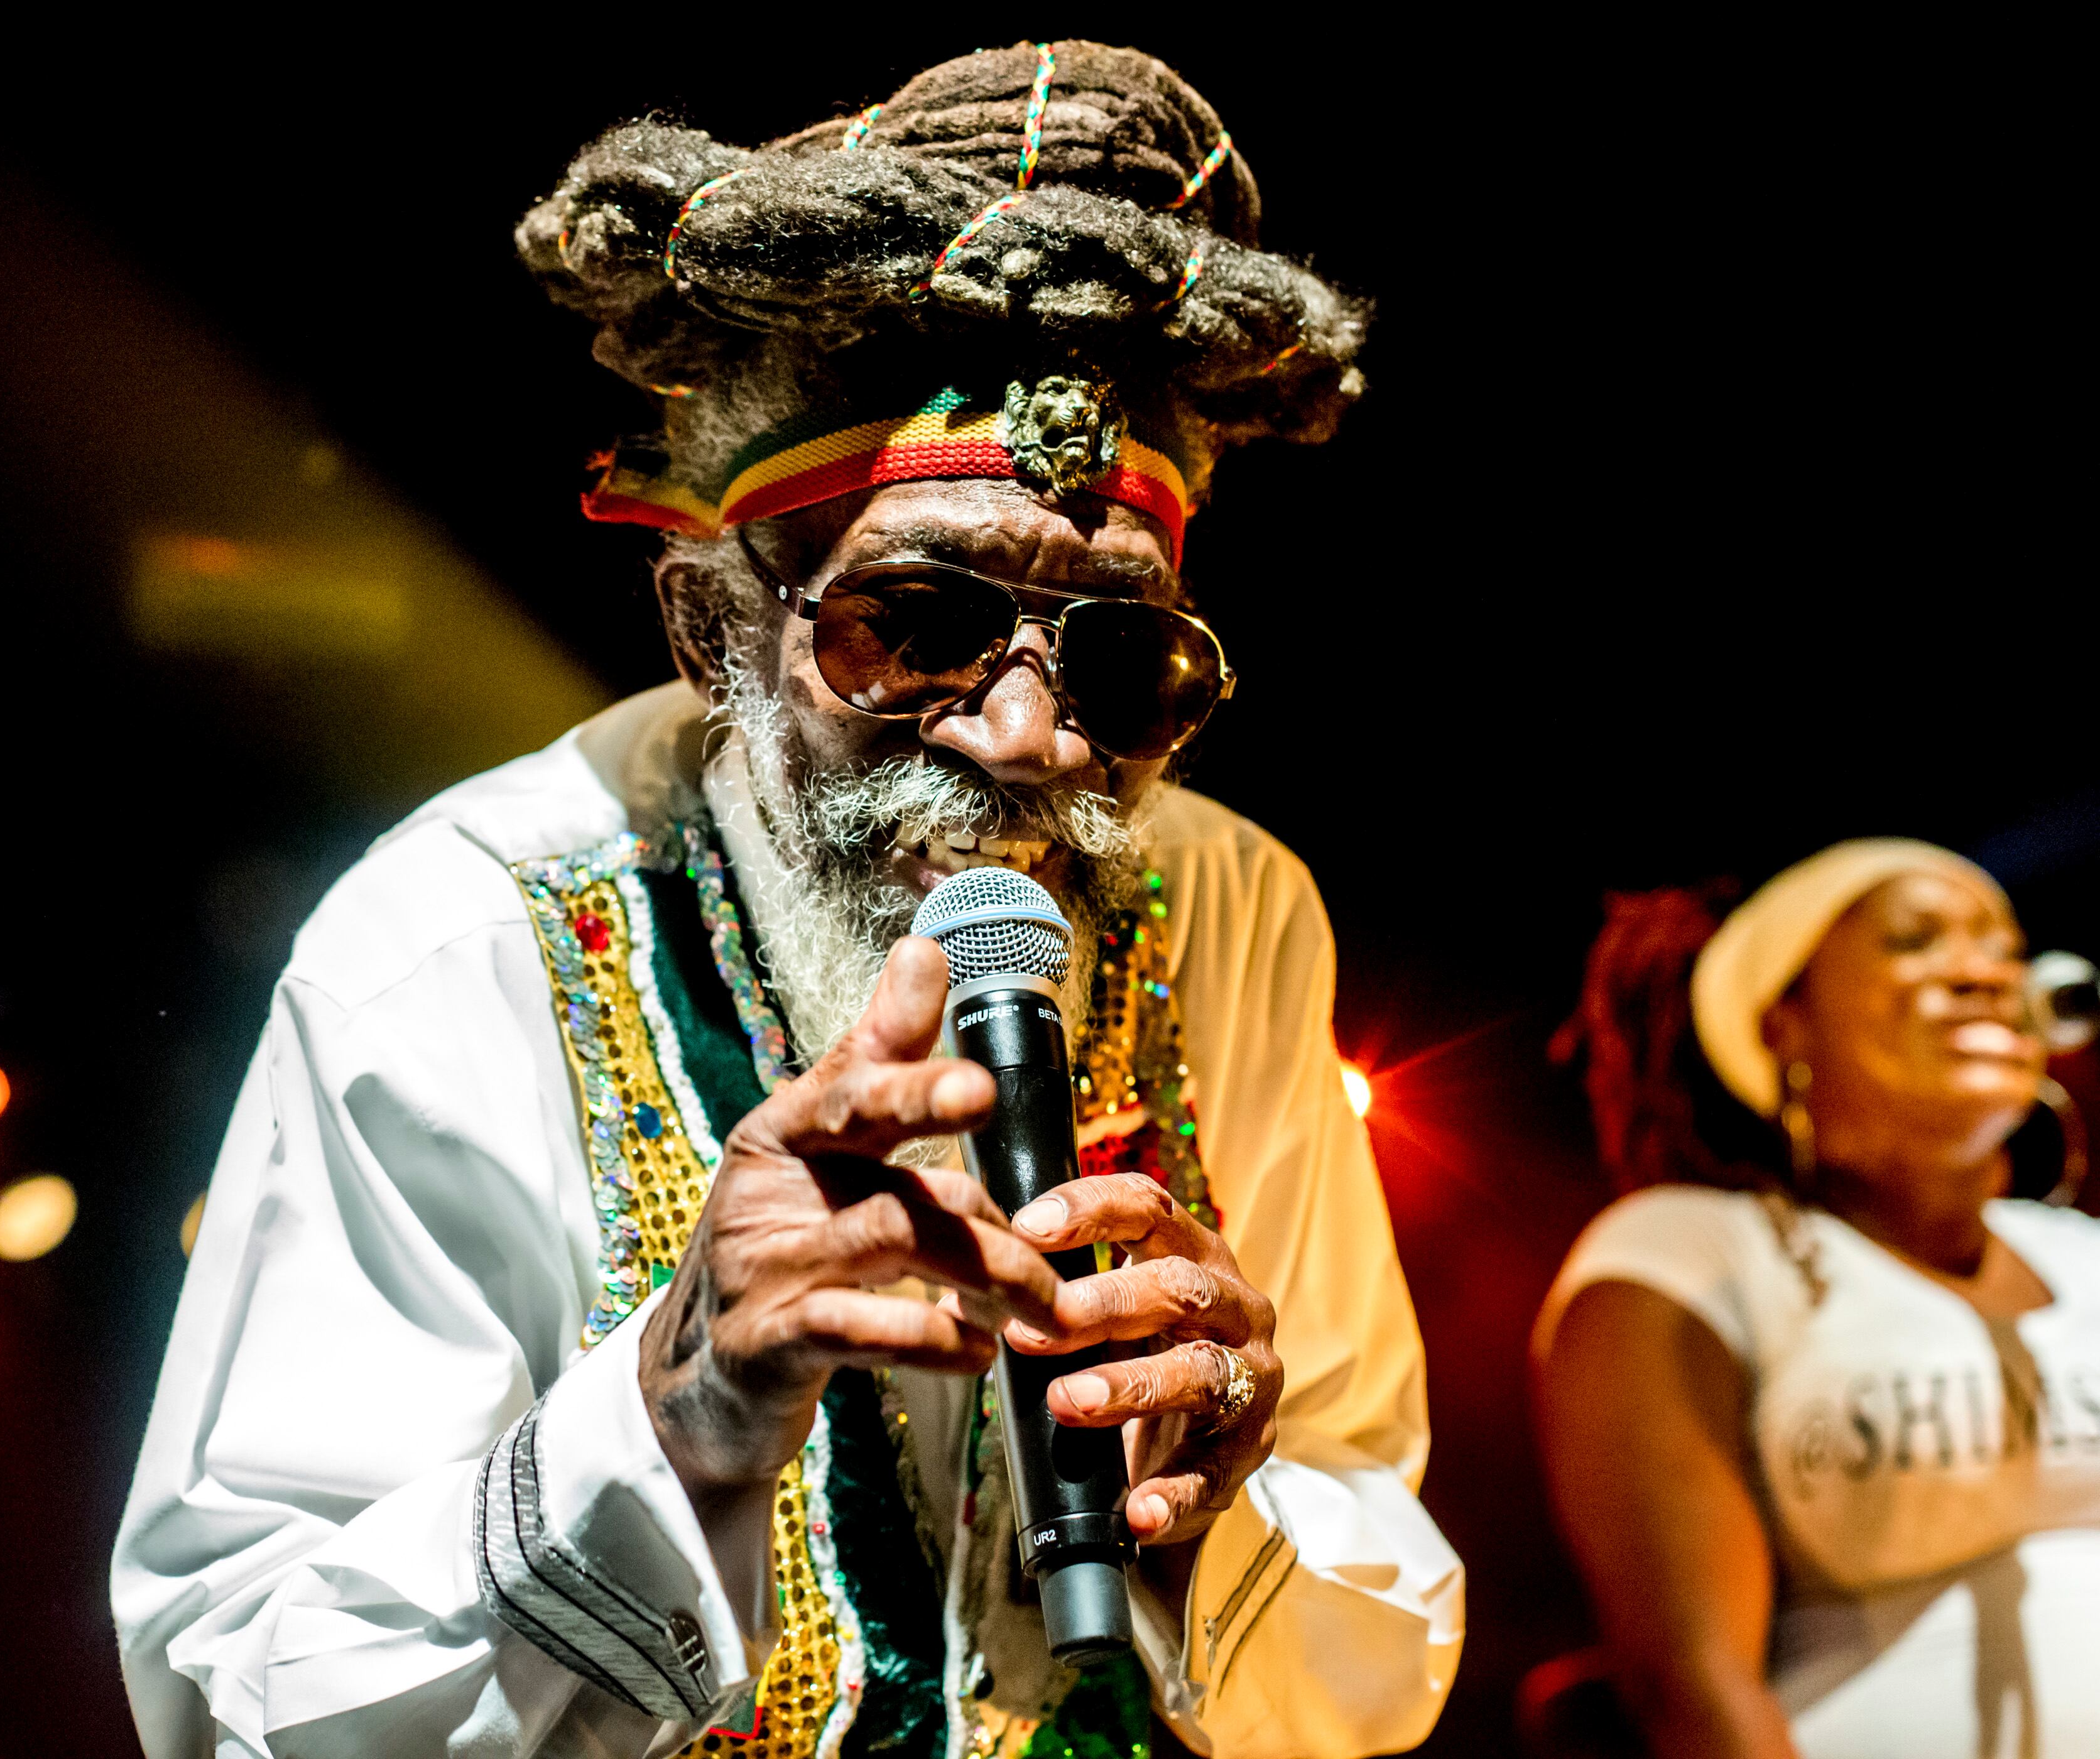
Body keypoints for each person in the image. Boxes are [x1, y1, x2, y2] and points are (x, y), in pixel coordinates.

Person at [112, 42, 1462, 1759]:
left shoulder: (1233, 904)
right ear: (716, 634)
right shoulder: (454, 938)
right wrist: (678, 1413)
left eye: (1117, 657)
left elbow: (1381, 1611)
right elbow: (236, 1688)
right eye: (919, 623)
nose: (1032, 735)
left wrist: (1221, 1524)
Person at [1536, 839, 2100, 1758]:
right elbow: (1692, 1688)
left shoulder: (2087, 1258)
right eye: (1916, 942)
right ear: (1781, 1025)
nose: (1982, 976)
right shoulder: (1689, 1252)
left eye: (2003, 948)